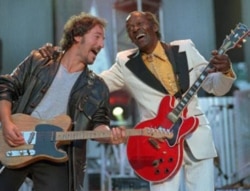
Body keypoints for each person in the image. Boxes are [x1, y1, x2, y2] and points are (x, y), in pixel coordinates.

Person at [39, 11, 236, 191]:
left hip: (196, 137)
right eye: (130, 28)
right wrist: (60, 60)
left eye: (140, 24)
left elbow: (215, 87)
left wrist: (225, 70)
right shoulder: (125, 62)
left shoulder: (185, 48)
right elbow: (95, 85)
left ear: (154, 27)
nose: (135, 29)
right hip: (158, 144)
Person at [0, 12, 126, 191]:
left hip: (56, 154)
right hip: (17, 140)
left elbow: (99, 124)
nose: (102, 44)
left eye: (103, 39)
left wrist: (110, 136)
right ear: (77, 36)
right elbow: (6, 87)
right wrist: (6, 123)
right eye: (97, 37)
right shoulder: (40, 61)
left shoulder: (98, 87)